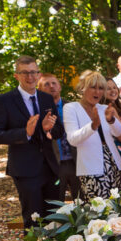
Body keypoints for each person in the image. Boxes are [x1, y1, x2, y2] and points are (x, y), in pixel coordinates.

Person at [0, 55, 63, 226]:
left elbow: (59, 130)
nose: (30, 77)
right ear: (16, 76)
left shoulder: (46, 98)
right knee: (34, 220)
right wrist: (25, 133)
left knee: (57, 218)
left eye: (33, 72)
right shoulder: (4, 101)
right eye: (25, 73)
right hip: (25, 169)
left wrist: (48, 130)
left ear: (38, 74)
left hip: (51, 167)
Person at [63, 70, 121, 198]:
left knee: (119, 209)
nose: (97, 92)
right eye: (93, 87)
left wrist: (111, 120)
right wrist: (93, 126)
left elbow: (120, 133)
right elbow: (73, 139)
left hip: (114, 165)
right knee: (98, 212)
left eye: (101, 88)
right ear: (82, 88)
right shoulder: (71, 108)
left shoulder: (104, 109)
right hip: (91, 168)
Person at [36, 72, 79, 202]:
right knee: (55, 205)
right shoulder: (37, 110)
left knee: (82, 202)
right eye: (46, 84)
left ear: (60, 87)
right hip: (53, 164)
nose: (51, 86)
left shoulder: (73, 107)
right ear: (40, 90)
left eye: (54, 83)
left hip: (75, 161)